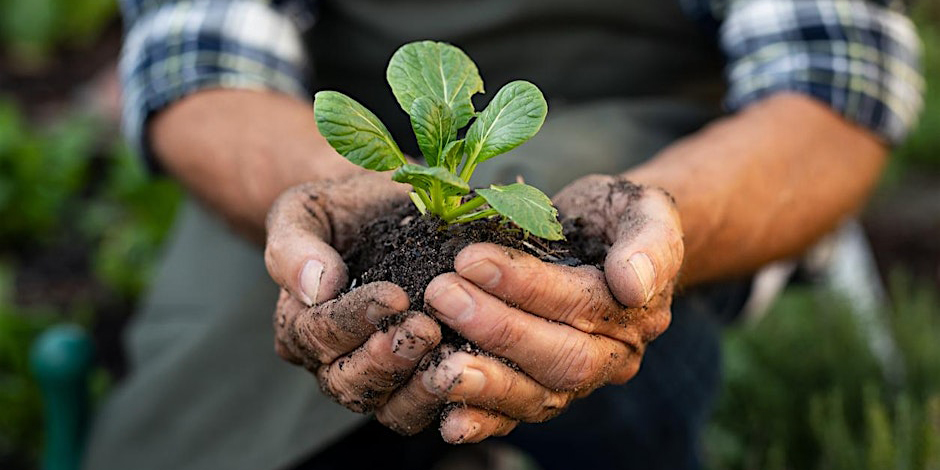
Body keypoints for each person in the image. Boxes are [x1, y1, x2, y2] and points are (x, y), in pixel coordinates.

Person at [84, 0, 923, 469]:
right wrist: (328, 202)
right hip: (306, 157)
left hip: (661, 151)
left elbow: (832, 79)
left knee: (610, 352)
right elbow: (197, 61)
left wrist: (666, 228)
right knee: (198, 417)